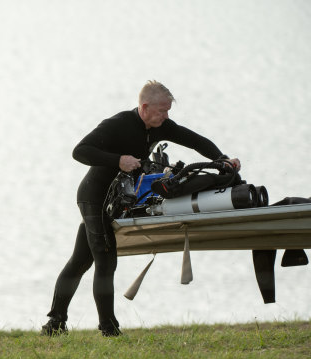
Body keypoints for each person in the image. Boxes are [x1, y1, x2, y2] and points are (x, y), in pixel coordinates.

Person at [41, 80, 241, 337]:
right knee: (105, 260)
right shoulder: (118, 124)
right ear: (144, 107)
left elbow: (194, 140)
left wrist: (221, 159)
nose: (166, 116)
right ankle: (108, 329)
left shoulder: (160, 126)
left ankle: (55, 323)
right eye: (162, 111)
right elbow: (79, 151)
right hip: (94, 196)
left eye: (168, 111)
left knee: (80, 261)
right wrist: (118, 160)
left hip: (118, 199)